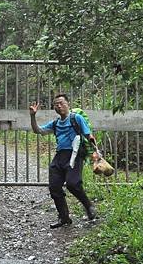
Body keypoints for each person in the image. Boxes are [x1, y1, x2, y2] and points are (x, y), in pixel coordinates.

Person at [29, 94, 98, 228]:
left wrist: (95, 151)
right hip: (60, 156)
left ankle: (89, 206)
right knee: (54, 187)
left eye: (61, 103)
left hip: (75, 154)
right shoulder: (55, 123)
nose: (58, 106)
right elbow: (38, 130)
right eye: (56, 104)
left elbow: (88, 134)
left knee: (73, 184)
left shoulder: (76, 118)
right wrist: (33, 116)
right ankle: (64, 217)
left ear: (68, 104)